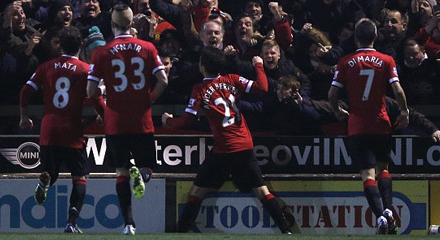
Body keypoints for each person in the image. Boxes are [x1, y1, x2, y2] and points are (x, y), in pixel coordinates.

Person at [161, 47, 292, 234]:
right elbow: (262, 87)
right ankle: (285, 230)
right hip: (245, 145)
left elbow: (186, 120)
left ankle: (181, 231)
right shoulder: (232, 79)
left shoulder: (200, 89)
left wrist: (168, 120)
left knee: (198, 191)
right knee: (262, 190)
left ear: (202, 67)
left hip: (224, 150)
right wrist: (259, 65)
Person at [86, 3, 168, 235]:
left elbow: (91, 92)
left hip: (115, 122)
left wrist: (103, 102)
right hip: (142, 120)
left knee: (120, 171)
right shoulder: (148, 47)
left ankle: (128, 224)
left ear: (112, 24)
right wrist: (149, 100)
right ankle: (142, 174)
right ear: (132, 24)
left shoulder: (101, 52)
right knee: (148, 166)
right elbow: (163, 80)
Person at [328, 18, 410, 235]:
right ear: (375, 37)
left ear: (356, 38)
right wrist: (404, 111)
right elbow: (398, 90)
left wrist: (337, 110)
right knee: (383, 168)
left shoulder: (345, 61)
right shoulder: (387, 60)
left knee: (367, 174)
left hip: (357, 126)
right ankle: (388, 212)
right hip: (381, 123)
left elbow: (332, 93)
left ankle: (382, 216)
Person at [19, 26, 99, 233]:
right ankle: (71, 222)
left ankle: (45, 179)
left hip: (49, 129)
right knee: (79, 176)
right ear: (81, 45)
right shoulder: (85, 69)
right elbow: (96, 97)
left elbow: (26, 90)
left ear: (60, 46)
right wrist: (106, 115)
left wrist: (24, 116)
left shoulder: (46, 67)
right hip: (72, 130)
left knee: (51, 172)